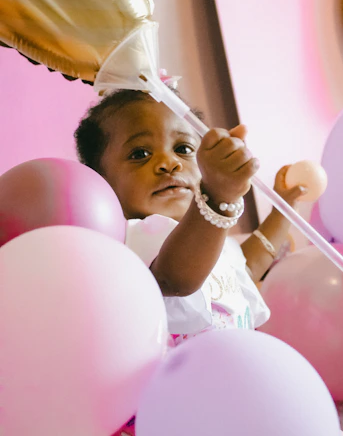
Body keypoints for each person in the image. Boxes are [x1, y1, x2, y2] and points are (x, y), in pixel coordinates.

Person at [74, 87, 305, 435]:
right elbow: (176, 279)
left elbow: (249, 261)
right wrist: (218, 197)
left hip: (229, 401)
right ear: (103, 184)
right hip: (170, 413)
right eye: (140, 153)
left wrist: (283, 208)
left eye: (183, 148)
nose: (168, 162)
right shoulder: (134, 238)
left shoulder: (214, 237)